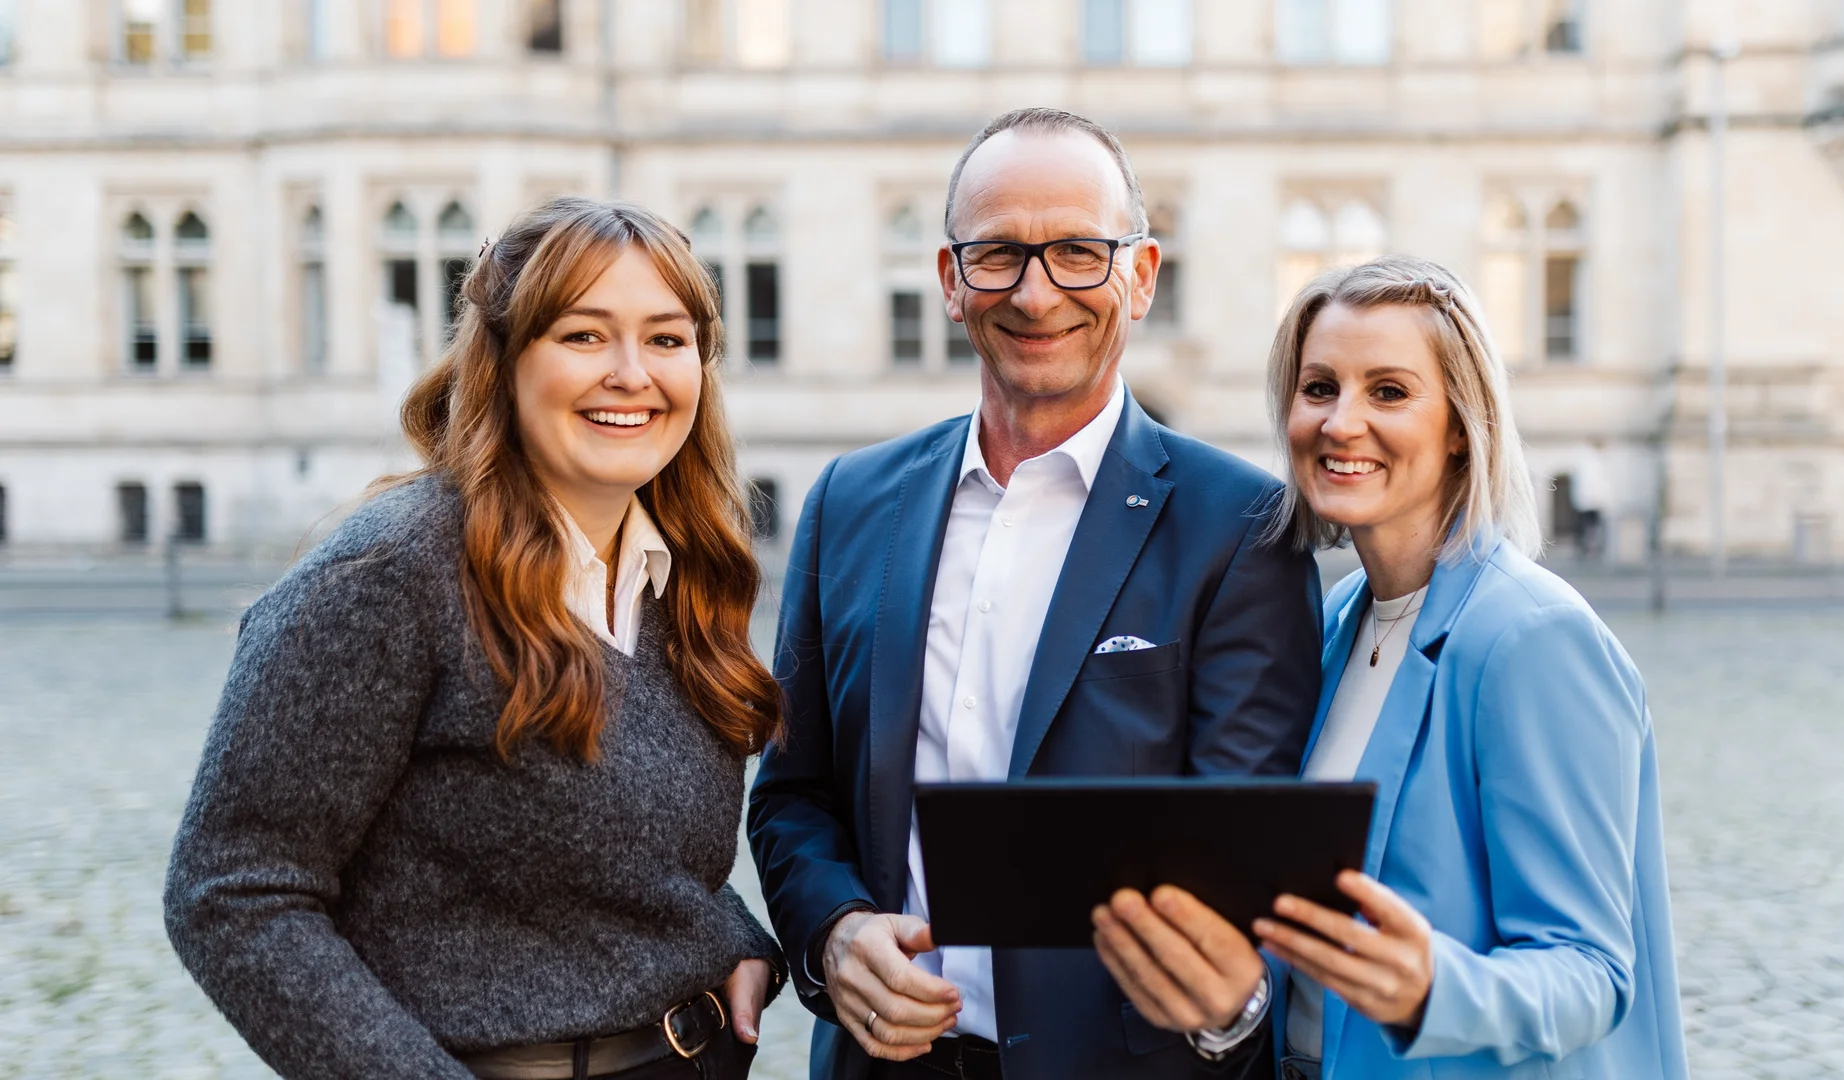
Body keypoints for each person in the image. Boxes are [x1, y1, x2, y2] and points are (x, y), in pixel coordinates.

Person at [747, 107, 1324, 1080]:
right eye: (999, 254)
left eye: (1078, 252)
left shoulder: (1244, 529)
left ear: (1141, 278)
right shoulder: (850, 503)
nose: (1036, 289)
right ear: (949, 281)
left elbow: (1240, 852)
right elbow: (794, 797)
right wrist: (833, 934)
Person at [164, 197, 787, 1080]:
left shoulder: (680, 572)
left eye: (666, 338)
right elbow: (230, 893)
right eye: (582, 335)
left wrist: (726, 934)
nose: (630, 373)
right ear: (503, 360)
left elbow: (625, 850)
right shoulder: (389, 575)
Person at [1091, 255, 1689, 1078]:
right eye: (1319, 387)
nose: (1341, 422)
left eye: (1389, 391)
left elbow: (1592, 974)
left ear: (1458, 426)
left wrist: (1430, 988)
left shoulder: (1532, 639)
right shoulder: (1334, 620)